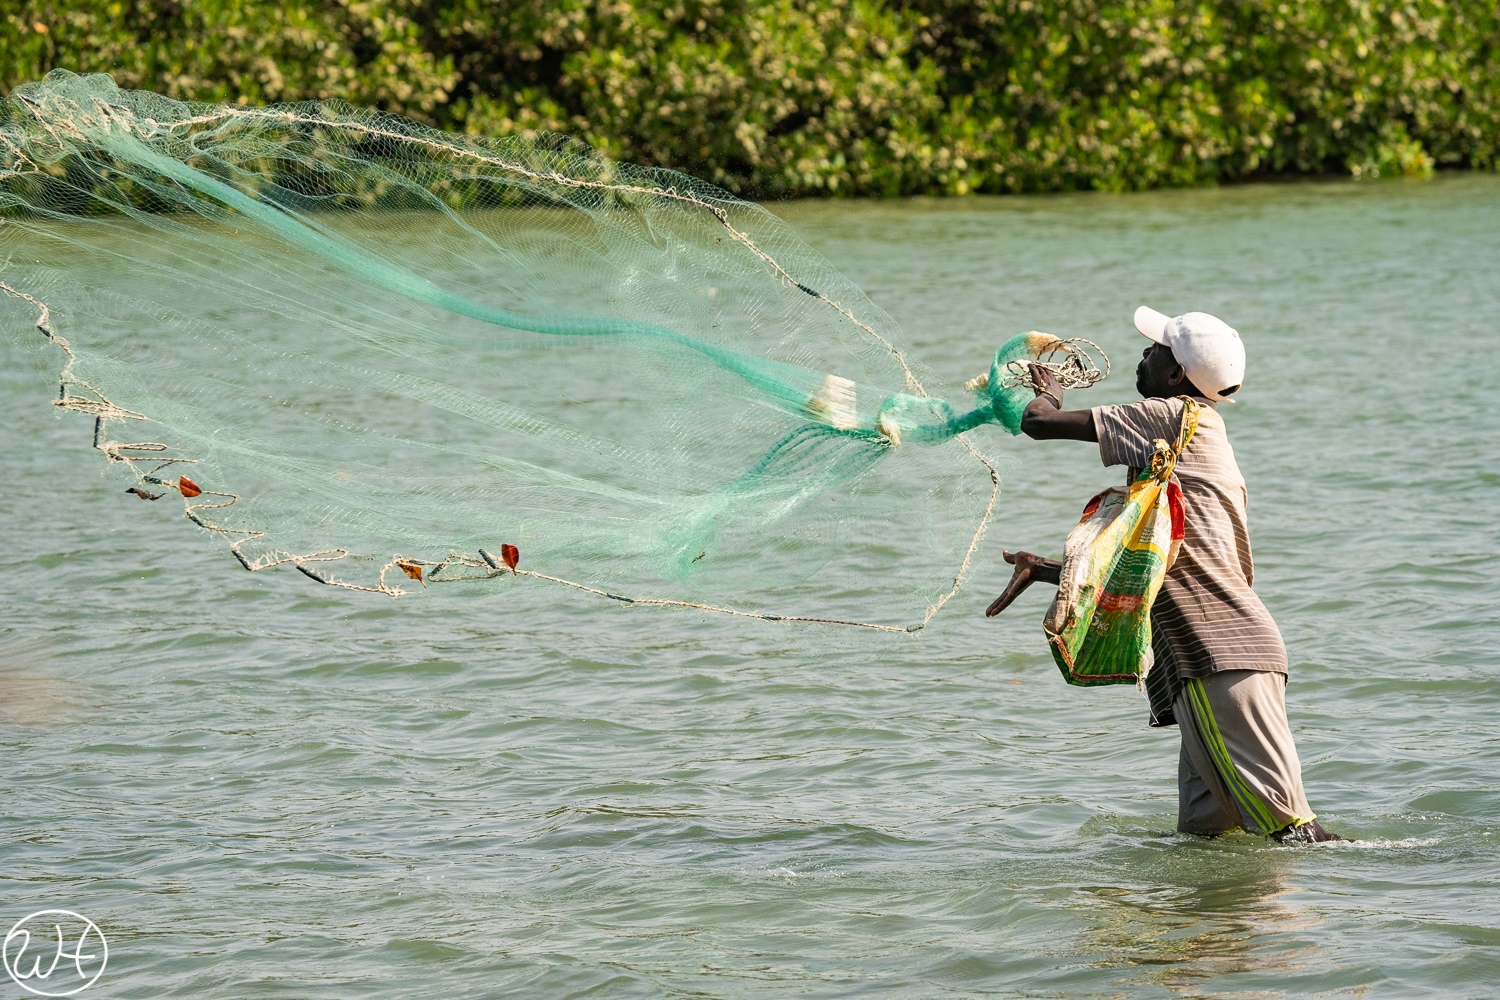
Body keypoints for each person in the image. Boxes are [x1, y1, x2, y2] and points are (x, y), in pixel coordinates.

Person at [987, 306, 1340, 843]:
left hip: (1215, 652)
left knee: (1293, 832)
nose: (1144, 354)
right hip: (1209, 659)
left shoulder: (1171, 417)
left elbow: (1037, 424)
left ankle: (1387, 883)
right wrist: (1049, 571)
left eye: (1156, 350)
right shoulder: (1197, 435)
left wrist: (1049, 392)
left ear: (1176, 375)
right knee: (1205, 841)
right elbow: (1158, 564)